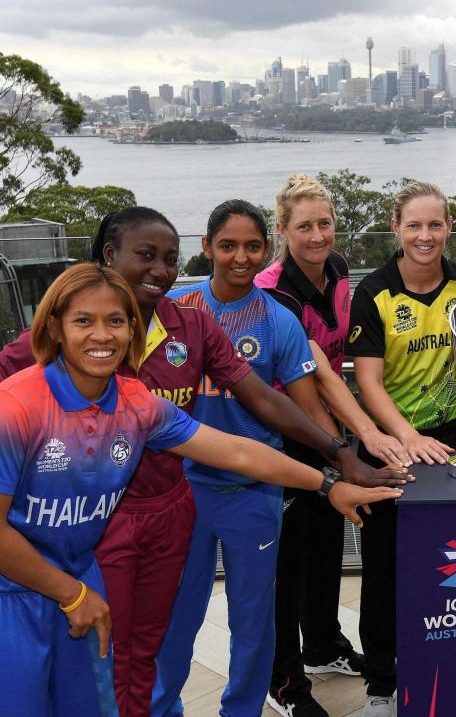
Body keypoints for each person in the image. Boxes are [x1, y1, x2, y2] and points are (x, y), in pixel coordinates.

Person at [0, 207, 400, 717]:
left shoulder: (145, 391)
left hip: (167, 511)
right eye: (85, 322)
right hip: (66, 544)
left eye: (169, 259)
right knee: (81, 664)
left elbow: (241, 434)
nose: (103, 336)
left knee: (139, 649)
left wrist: (332, 470)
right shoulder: (22, 390)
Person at [151, 200, 403, 717]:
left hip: (255, 490)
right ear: (206, 248)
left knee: (253, 617)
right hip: (184, 490)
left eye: (251, 246)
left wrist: (341, 459)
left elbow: (301, 400)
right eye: (227, 246)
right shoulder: (176, 310)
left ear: (267, 249)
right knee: (178, 615)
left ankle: (242, 708)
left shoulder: (277, 319)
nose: (239, 258)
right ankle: (160, 707)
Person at [255, 175, 412, 717]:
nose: (318, 235)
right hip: (282, 431)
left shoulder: (340, 271)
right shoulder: (273, 288)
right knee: (287, 559)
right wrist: (349, 443)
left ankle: (322, 646)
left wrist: (346, 439)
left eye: (324, 223)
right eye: (304, 226)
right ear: (282, 230)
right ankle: (283, 679)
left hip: (325, 427)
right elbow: (315, 371)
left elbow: (338, 359)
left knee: (323, 542)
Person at [347, 181, 456, 716]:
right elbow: (369, 383)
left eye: (436, 225)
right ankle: (381, 682)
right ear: (396, 228)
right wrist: (405, 437)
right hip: (389, 447)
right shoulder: (374, 291)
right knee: (382, 569)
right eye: (414, 225)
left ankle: (448, 663)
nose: (426, 236)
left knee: (449, 563)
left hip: (449, 443)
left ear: (449, 228)